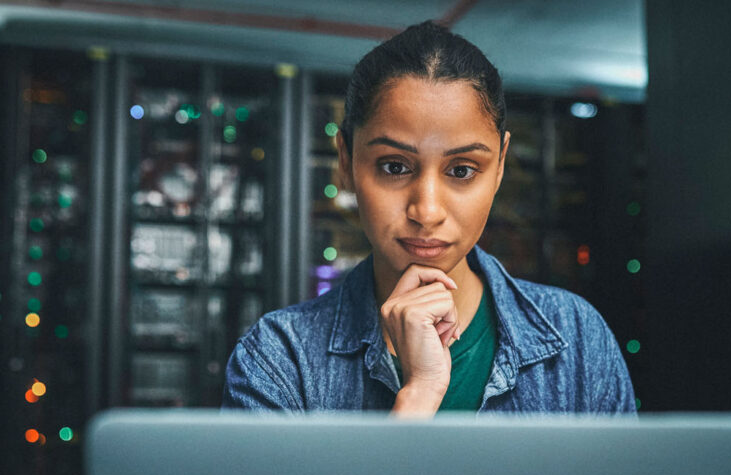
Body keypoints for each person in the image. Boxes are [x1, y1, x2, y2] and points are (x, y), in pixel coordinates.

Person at [223, 21, 635, 416]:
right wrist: (419, 394)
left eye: (461, 170)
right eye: (394, 167)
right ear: (346, 161)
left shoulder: (578, 340)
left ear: (501, 166)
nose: (427, 212)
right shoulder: (280, 359)